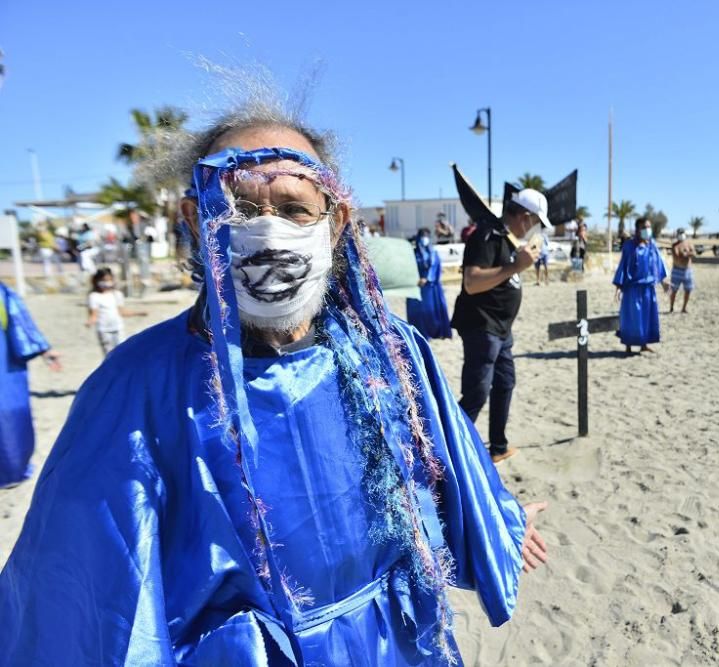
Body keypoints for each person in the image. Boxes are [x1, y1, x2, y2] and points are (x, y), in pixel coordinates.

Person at [0, 110, 547, 665]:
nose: (269, 229)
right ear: (195, 217)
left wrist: (498, 521)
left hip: (393, 644)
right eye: (238, 208)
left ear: (334, 223)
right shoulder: (136, 385)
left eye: (293, 209)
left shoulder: (392, 351)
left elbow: (445, 459)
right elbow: (88, 588)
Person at [451, 189, 551, 463]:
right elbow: (472, 282)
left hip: (501, 329)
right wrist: (515, 266)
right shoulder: (487, 235)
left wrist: (518, 260)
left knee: (505, 383)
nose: (534, 228)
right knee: (477, 392)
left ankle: (498, 446)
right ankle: (450, 451)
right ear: (525, 216)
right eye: (534, 222)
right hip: (482, 326)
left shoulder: (508, 239)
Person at [0, 280, 61, 488]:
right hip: (5, 374)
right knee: (8, 420)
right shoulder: (3, 294)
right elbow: (21, 324)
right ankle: (10, 472)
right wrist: (44, 349)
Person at [613, 217, 669, 354]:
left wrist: (663, 282)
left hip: (648, 288)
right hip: (633, 288)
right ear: (637, 229)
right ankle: (628, 346)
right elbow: (623, 266)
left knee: (646, 317)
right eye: (644, 227)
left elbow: (658, 265)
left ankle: (644, 344)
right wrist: (619, 288)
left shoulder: (652, 245)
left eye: (648, 227)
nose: (647, 230)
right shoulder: (629, 246)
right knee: (632, 317)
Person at [85, 267, 145, 356]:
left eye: (109, 280)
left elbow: (122, 312)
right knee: (109, 355)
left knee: (122, 353)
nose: (107, 282)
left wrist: (139, 313)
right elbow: (94, 314)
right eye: (104, 280)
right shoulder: (94, 296)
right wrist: (90, 322)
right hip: (104, 330)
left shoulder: (117, 294)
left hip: (118, 328)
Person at [406, 227, 452, 339]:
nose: (424, 239)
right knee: (418, 310)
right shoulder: (414, 252)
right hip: (417, 285)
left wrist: (427, 278)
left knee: (432, 309)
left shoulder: (433, 252)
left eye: (426, 236)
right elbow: (409, 267)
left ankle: (436, 332)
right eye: (422, 236)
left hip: (431, 286)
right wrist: (416, 278)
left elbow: (435, 266)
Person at [669, 227, 696, 313]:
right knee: (674, 290)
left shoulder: (689, 243)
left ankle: (684, 308)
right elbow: (678, 256)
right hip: (677, 270)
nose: (681, 235)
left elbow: (694, 254)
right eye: (679, 233)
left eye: (682, 233)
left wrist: (686, 253)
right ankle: (671, 307)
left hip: (688, 271)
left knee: (688, 290)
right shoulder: (674, 245)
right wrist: (687, 253)